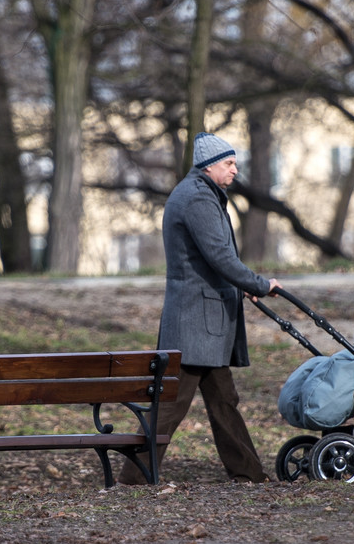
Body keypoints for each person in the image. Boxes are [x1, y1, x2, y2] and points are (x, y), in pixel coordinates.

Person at [118, 132, 280, 485]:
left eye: (235, 162)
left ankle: (249, 473)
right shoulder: (197, 199)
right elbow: (220, 256)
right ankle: (133, 479)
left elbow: (215, 260)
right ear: (209, 166)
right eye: (229, 163)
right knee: (172, 407)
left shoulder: (200, 194)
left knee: (224, 401)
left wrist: (243, 285)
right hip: (197, 324)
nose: (236, 170)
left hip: (202, 324)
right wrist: (257, 284)